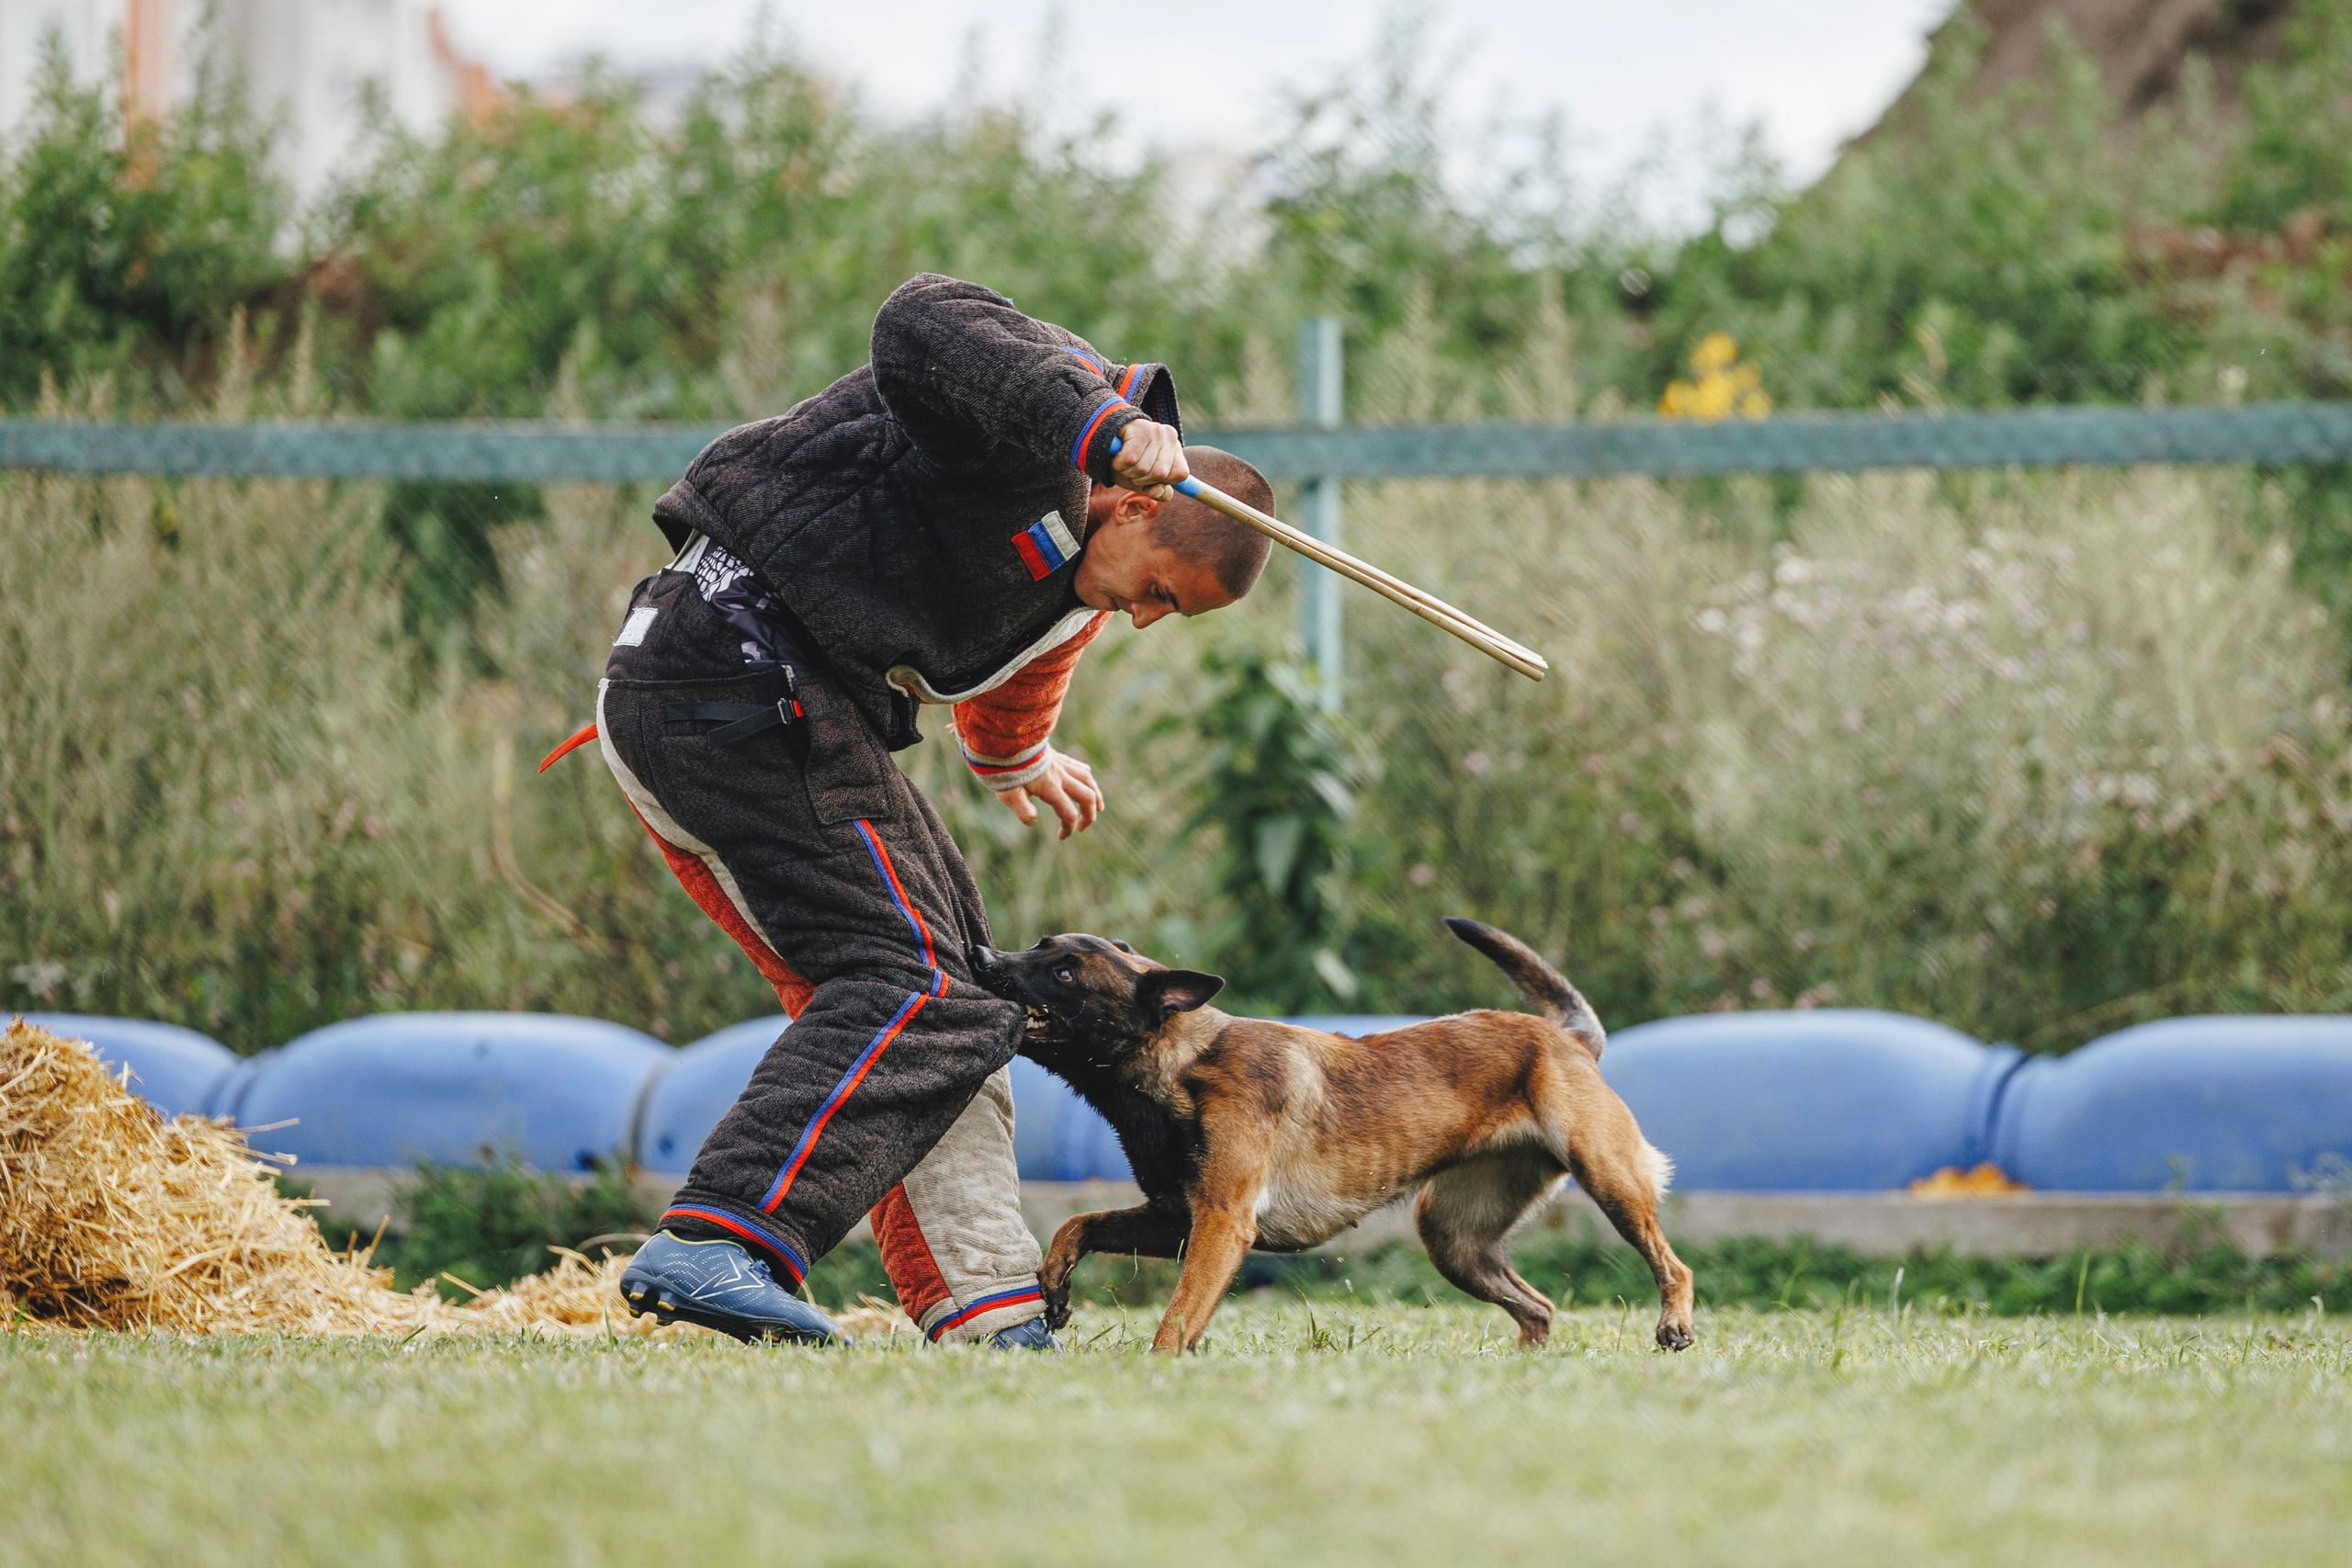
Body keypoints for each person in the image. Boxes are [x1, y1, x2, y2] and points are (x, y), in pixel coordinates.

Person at [600, 274, 1273, 1347]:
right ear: (1137, 504)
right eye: (1160, 592)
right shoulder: (1035, 440)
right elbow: (919, 318)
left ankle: (990, 1311)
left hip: (782, 701)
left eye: (1170, 616)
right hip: (727, 674)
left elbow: (1027, 654)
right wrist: (1105, 422)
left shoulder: (1083, 566)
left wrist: (1016, 758)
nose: (1147, 620)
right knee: (910, 980)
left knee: (967, 989)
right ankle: (717, 1240)